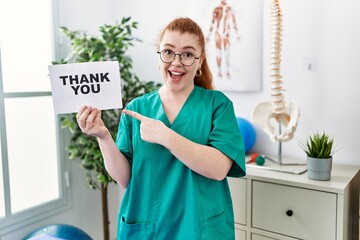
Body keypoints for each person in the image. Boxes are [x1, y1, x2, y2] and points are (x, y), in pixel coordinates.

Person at [76, 17, 246, 240]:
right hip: (148, 227)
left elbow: (218, 168)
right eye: (168, 52)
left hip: (199, 229)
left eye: (187, 54)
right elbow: (125, 178)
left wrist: (165, 135)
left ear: (199, 60)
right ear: (159, 56)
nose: (176, 62)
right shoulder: (137, 108)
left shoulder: (217, 105)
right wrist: (103, 137)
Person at [207, 0, 240, 79]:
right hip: (218, 33)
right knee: (218, 52)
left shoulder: (230, 9)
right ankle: (219, 71)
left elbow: (234, 22)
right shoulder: (217, 9)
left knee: (226, 53)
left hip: (226, 34)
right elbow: (213, 22)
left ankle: (227, 71)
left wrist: (237, 34)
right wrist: (208, 36)